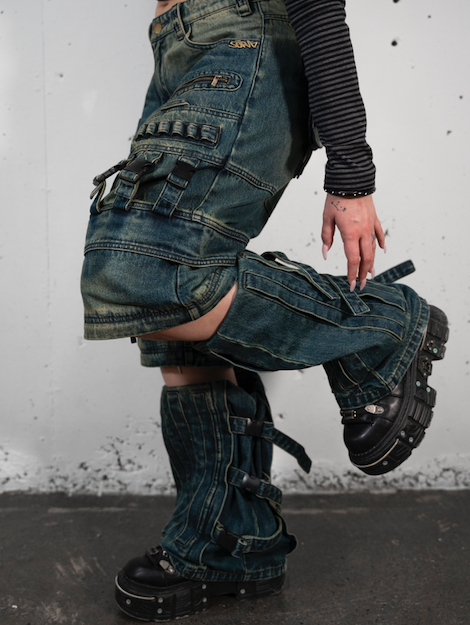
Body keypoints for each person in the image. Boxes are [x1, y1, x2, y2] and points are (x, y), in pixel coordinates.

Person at [81, 0, 448, 620]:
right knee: (178, 332)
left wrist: (352, 171)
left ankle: (381, 327)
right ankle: (230, 546)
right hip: (179, 51)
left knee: (148, 271)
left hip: (242, 40)